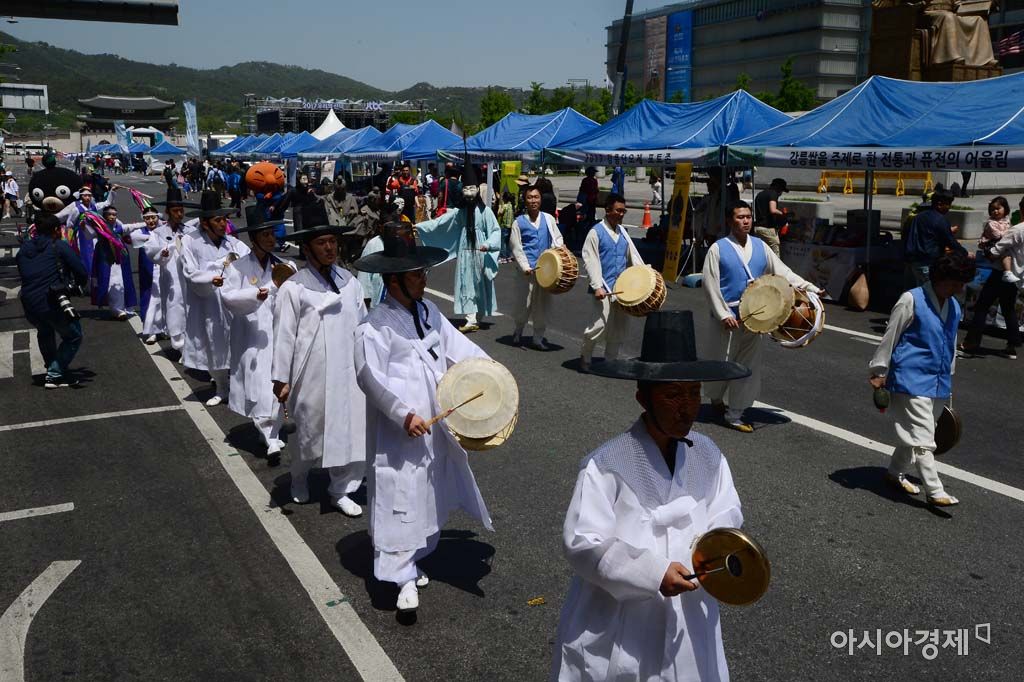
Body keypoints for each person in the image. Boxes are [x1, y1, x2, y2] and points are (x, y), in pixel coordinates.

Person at [550, 310, 750, 681]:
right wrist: (652, 572)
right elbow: (582, 542)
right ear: (643, 397)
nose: (686, 406)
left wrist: (714, 551)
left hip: (690, 606)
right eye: (672, 394)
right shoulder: (607, 464)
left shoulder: (708, 454)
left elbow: (727, 511)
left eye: (693, 393)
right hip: (622, 615)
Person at [353, 222, 494, 612]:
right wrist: (402, 414)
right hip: (400, 433)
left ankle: (415, 557)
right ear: (393, 281)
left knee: (425, 492)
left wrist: (490, 372)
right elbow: (370, 377)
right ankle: (400, 579)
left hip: (433, 425)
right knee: (400, 495)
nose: (423, 280)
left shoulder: (429, 310)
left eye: (422, 273)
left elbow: (458, 348)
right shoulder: (374, 327)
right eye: (416, 275)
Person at [272, 202, 366, 514]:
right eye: (321, 243)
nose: (329, 249)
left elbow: (363, 324)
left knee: (352, 430)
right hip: (312, 371)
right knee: (311, 431)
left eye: (332, 242)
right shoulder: (294, 287)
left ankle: (341, 488)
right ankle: (299, 477)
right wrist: (280, 378)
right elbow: (284, 334)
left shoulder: (349, 281)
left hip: (349, 370)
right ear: (308, 248)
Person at [702, 201, 823, 432]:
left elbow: (783, 272)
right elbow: (710, 284)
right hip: (728, 317)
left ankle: (735, 412)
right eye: (740, 217)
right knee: (721, 360)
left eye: (748, 217)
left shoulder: (761, 246)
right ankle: (716, 397)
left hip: (756, 317)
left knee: (748, 365)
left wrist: (811, 288)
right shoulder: (718, 248)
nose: (745, 221)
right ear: (730, 220)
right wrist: (722, 314)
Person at [869, 251, 975, 507]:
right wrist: (879, 370)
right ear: (940, 278)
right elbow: (891, 335)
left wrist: (949, 376)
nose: (960, 288)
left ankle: (894, 473)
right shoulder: (911, 299)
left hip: (938, 381)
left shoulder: (954, 306)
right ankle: (935, 490)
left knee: (915, 434)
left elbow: (950, 344)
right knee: (925, 438)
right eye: (955, 282)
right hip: (910, 377)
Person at [223, 205, 296, 463]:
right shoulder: (238, 267)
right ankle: (269, 434)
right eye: (264, 234)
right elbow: (229, 297)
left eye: (271, 233)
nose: (270, 238)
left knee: (276, 383)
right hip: (252, 335)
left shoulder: (283, 266)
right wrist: (258, 293)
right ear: (253, 239)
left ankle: (271, 432)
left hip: (277, 333)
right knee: (258, 387)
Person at [180, 190, 250, 406]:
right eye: (218, 220)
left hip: (231, 300)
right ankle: (221, 387)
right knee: (213, 343)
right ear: (204, 222)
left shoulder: (232, 243)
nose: (223, 224)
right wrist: (211, 276)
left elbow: (249, 259)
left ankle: (240, 385)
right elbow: (190, 272)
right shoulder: (190, 241)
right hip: (208, 301)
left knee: (238, 342)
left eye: (225, 219)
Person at [417, 162, 501, 333]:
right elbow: (441, 222)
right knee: (467, 282)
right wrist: (420, 227)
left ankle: (477, 315)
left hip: (480, 250)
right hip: (465, 250)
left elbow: (495, 231)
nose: (469, 196)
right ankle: (471, 317)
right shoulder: (460, 212)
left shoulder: (485, 212)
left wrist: (488, 244)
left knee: (479, 282)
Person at [16, 213, 89, 389]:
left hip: (29, 302)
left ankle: (52, 367)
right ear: (57, 230)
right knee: (73, 335)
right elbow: (81, 272)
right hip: (52, 300)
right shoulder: (59, 247)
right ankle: (55, 373)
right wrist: (76, 286)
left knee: (45, 332)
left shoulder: (24, 249)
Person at [579, 193, 643, 372]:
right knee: (598, 325)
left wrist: (644, 275)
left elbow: (633, 257)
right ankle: (586, 356)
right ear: (607, 210)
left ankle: (610, 361)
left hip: (622, 289)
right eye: (618, 210)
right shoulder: (596, 232)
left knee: (619, 326)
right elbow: (590, 259)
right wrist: (597, 286)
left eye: (624, 211)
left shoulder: (623, 232)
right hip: (603, 288)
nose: (621, 214)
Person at [962, 196, 1024, 359]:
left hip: (999, 274)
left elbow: (997, 249)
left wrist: (988, 252)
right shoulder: (1006, 225)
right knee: (1008, 309)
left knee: (982, 306)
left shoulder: (1017, 229)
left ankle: (971, 342)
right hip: (1017, 276)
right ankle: (1012, 345)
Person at [144, 188, 200, 351]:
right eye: (175, 211)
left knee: (191, 308)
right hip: (171, 277)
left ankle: (191, 345)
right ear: (168, 212)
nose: (179, 214)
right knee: (174, 307)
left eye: (181, 211)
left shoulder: (190, 231)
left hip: (188, 276)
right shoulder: (158, 232)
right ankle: (179, 343)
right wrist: (164, 251)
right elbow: (150, 250)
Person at [510, 185, 564, 350]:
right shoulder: (518, 222)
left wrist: (560, 251)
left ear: (541, 199)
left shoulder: (548, 219)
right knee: (523, 304)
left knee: (542, 306)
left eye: (536, 197)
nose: (533, 201)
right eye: (530, 197)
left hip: (546, 272)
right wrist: (525, 267)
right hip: (526, 272)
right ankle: (518, 330)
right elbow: (516, 247)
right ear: (525, 200)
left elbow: (557, 239)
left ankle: (538, 338)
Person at [903, 190, 968, 288]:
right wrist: (965, 253)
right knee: (927, 294)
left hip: (912, 263)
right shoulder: (940, 220)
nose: (949, 208)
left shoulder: (918, 217)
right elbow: (950, 241)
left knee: (913, 293)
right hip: (927, 263)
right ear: (940, 204)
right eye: (948, 204)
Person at [123, 205, 162, 342]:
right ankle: (150, 330)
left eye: (153, 217)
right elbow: (132, 237)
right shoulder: (139, 232)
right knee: (149, 298)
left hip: (164, 269)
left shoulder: (164, 230)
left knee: (165, 299)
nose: (151, 221)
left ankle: (163, 328)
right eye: (147, 218)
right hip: (148, 270)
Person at [91, 205, 138, 320]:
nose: (112, 217)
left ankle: (120, 308)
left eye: (114, 215)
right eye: (109, 214)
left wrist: (153, 220)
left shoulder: (119, 227)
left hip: (120, 257)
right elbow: (88, 234)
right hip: (105, 257)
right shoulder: (98, 228)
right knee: (110, 281)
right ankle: (116, 309)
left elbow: (133, 226)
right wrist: (83, 226)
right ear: (104, 216)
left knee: (121, 282)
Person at [976, 196, 1016, 283]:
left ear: (1005, 209)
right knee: (1006, 255)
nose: (995, 211)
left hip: (1000, 241)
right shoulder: (991, 223)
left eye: (998, 208)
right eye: (993, 209)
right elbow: (997, 235)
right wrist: (1010, 234)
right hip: (990, 244)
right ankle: (1007, 272)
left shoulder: (1006, 219)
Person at [753, 177, 788, 257]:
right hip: (767, 229)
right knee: (775, 256)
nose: (781, 193)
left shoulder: (760, 194)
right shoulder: (773, 194)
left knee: (761, 254)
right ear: (778, 188)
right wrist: (783, 214)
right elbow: (773, 210)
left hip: (757, 228)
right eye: (782, 190)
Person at [497, 190, 515, 263]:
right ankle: (509, 256)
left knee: (503, 242)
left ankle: (503, 257)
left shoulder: (504, 206)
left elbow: (499, 213)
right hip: (510, 226)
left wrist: (500, 206)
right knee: (508, 242)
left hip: (504, 226)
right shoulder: (511, 205)